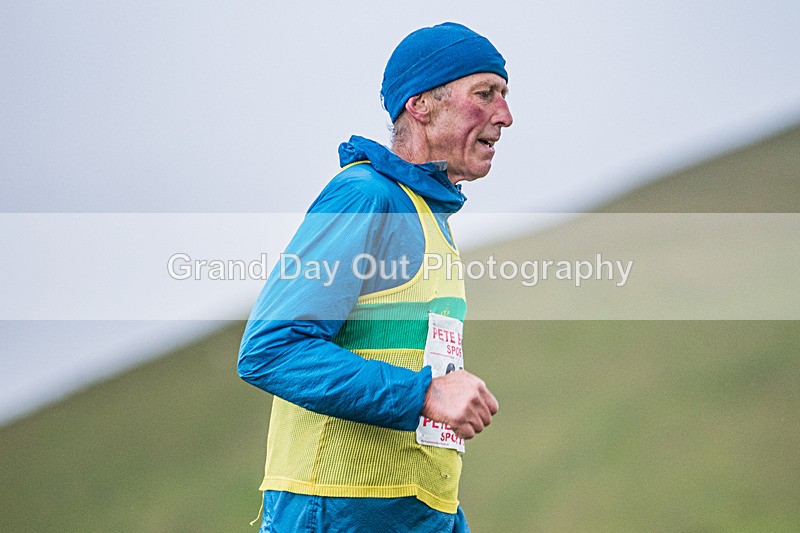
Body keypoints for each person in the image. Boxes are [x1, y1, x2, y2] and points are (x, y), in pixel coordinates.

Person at [238, 21, 513, 532]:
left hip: (412, 511)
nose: (507, 115)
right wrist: (424, 396)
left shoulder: (430, 218)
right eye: (486, 93)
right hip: (335, 511)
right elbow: (271, 349)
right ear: (421, 104)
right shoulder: (366, 197)